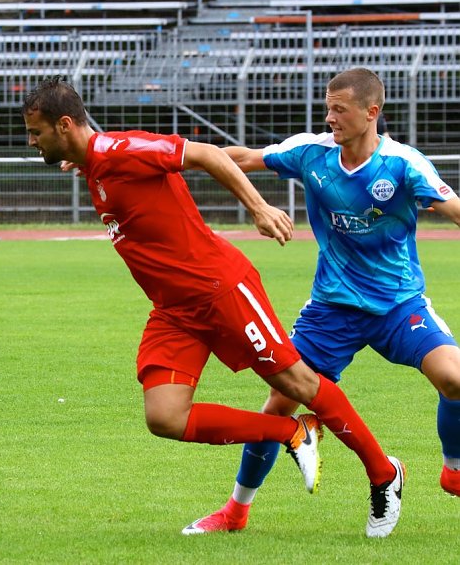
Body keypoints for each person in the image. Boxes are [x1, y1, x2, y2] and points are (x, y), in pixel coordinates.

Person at [22, 75, 405, 537]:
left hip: (219, 288)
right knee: (164, 416)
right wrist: (80, 159)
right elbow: (108, 165)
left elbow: (204, 153)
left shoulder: (120, 151)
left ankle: (384, 473)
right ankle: (292, 433)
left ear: (64, 125)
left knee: (299, 383)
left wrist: (259, 208)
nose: (31, 141)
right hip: (174, 309)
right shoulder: (96, 161)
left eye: (36, 132)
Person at [186, 67, 460, 535]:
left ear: (372, 112)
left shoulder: (403, 164)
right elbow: (239, 158)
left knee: (454, 378)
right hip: (331, 310)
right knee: (277, 407)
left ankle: (453, 469)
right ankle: (235, 512)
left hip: (398, 305)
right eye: (327, 107)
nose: (329, 117)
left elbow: (453, 209)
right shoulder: (310, 153)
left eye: (340, 109)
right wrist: (168, 160)